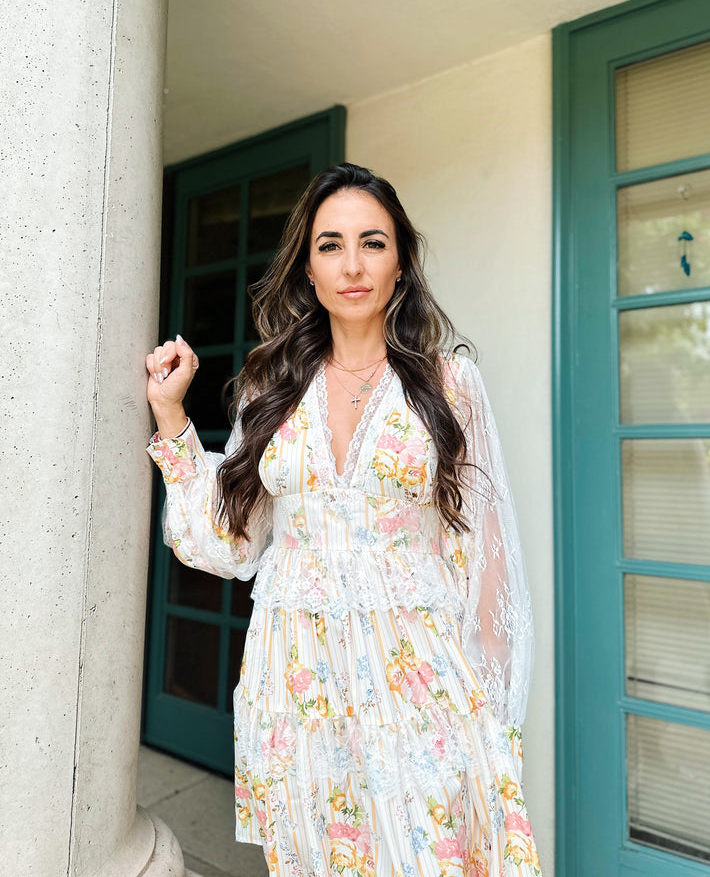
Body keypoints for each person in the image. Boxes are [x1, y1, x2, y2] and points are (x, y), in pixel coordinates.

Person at [145, 163, 541, 877]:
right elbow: (225, 541)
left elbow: (487, 559)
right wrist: (173, 417)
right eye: (330, 245)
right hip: (294, 684)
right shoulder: (273, 384)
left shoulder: (450, 384)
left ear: (401, 263)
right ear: (308, 265)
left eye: (372, 243)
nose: (352, 264)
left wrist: (495, 723)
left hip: (419, 684)